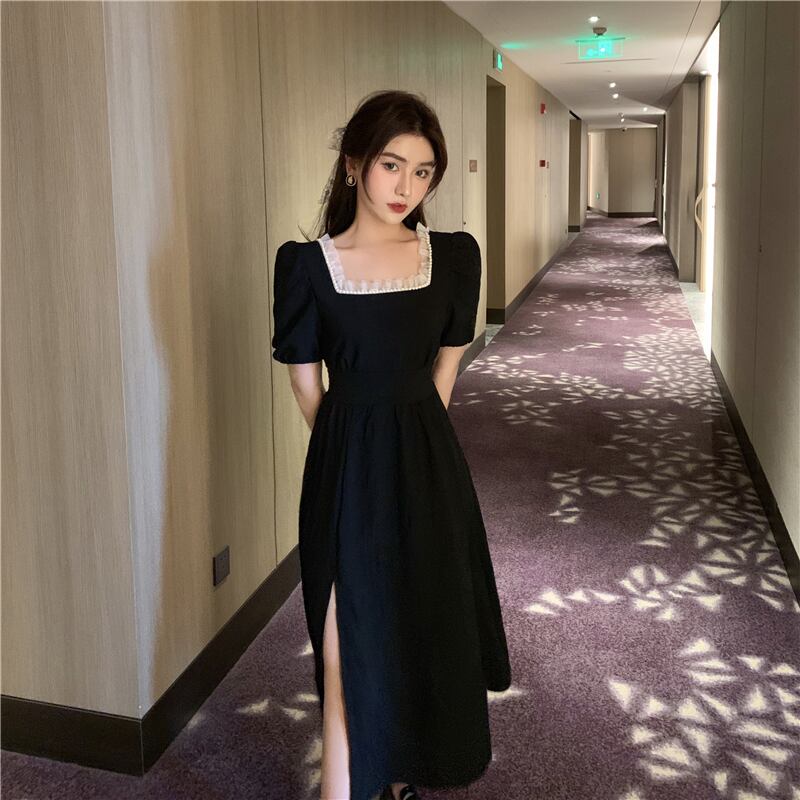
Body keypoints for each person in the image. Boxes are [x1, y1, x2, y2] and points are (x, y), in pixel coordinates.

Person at [271, 89, 511, 800]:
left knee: (419, 621)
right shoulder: (308, 265)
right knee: (344, 634)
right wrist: (356, 451)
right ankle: (342, 785)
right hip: (345, 470)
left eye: (423, 171)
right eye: (391, 165)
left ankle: (397, 770)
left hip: (429, 466)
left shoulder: (454, 257)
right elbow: (306, 384)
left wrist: (407, 450)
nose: (407, 186)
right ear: (353, 165)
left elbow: (446, 371)